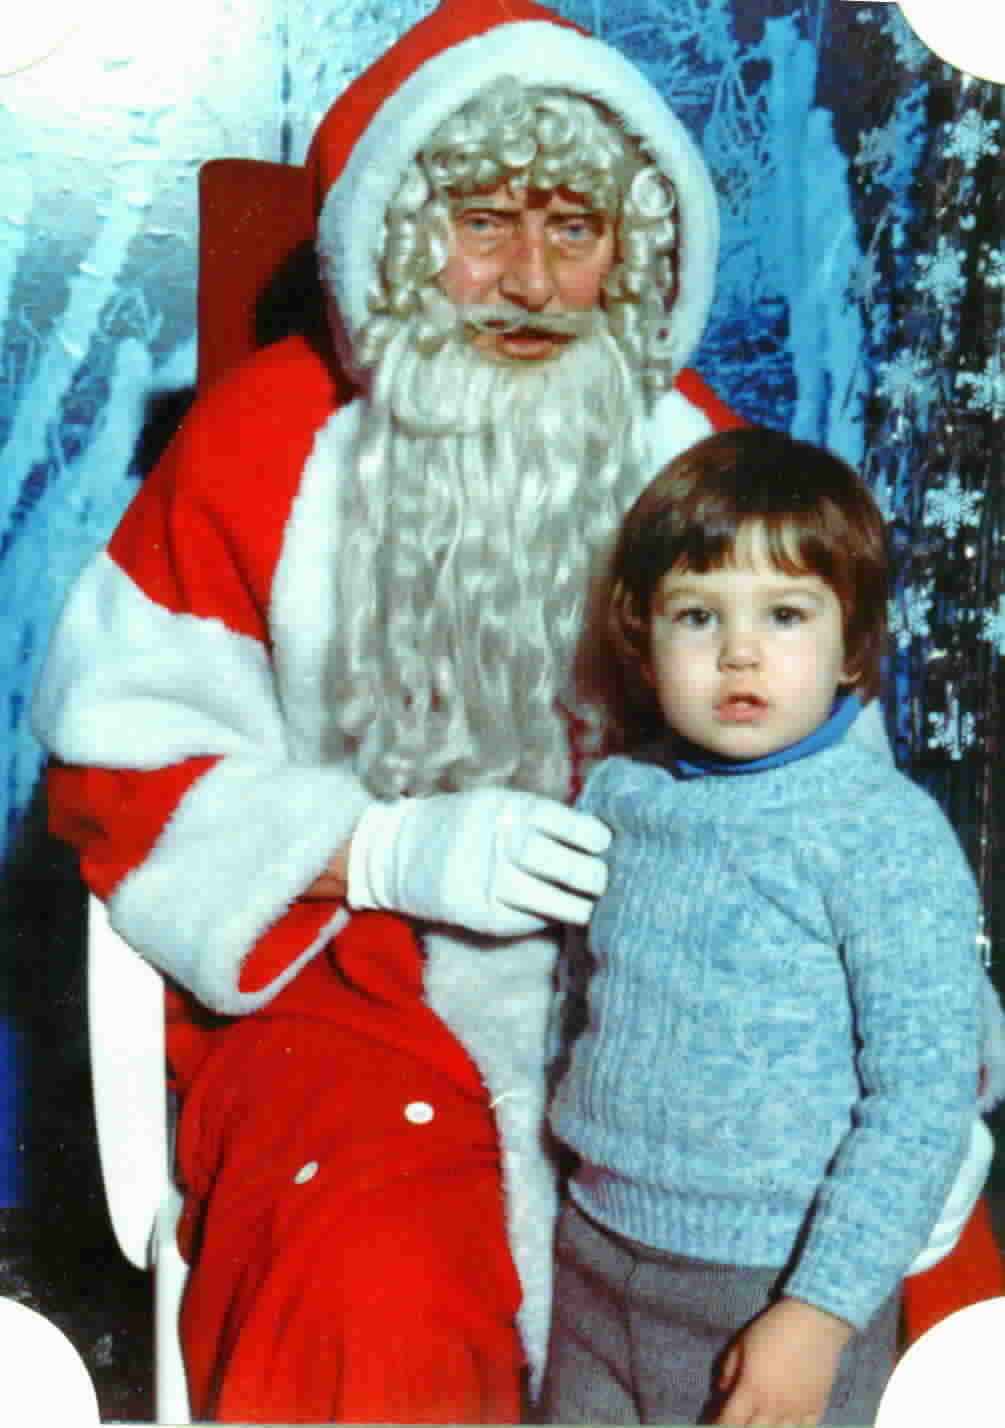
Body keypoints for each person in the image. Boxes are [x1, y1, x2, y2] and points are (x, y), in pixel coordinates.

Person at [30, 0, 1001, 1420]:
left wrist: (929, 1072)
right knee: (370, 1296)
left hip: (702, 1011)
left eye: (575, 230)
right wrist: (377, 850)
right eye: (482, 224)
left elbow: (842, 803)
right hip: (350, 989)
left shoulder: (698, 456)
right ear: (395, 236)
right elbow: (118, 767)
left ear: (635, 249)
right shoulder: (261, 444)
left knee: (924, 1304)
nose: (533, 283)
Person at [543, 427, 989, 1426]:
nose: (738, 652)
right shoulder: (618, 795)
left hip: (775, 1283)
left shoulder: (880, 832)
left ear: (854, 645)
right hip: (594, 1251)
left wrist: (820, 1312)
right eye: (697, 615)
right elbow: (573, 1005)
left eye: (785, 614)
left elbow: (924, 1097)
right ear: (640, 642)